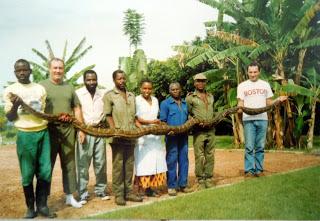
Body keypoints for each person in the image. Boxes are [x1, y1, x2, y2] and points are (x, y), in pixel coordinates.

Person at [3, 59, 55, 218]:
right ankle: (30, 208)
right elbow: (10, 118)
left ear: (30, 71)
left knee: (45, 171)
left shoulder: (40, 88)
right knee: (27, 173)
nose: (22, 73)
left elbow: (45, 111)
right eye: (18, 71)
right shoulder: (11, 90)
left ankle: (42, 206)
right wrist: (16, 105)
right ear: (15, 73)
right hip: (25, 134)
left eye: (25, 70)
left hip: (43, 132)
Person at [40, 58, 84, 208]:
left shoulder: (69, 87)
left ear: (63, 70)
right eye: (55, 68)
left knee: (69, 164)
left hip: (68, 131)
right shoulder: (41, 86)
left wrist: (81, 128)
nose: (58, 71)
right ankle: (43, 200)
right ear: (49, 68)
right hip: (48, 131)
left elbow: (77, 108)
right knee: (46, 166)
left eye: (60, 68)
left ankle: (70, 197)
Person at [237, 61, 287, 177]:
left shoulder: (265, 85)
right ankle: (249, 170)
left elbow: (268, 102)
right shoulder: (242, 86)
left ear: (259, 72)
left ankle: (259, 170)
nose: (253, 74)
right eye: (250, 72)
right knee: (249, 146)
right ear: (247, 72)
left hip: (262, 119)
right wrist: (239, 109)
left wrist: (278, 99)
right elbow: (241, 102)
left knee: (260, 146)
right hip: (248, 119)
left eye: (255, 72)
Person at [103, 70, 143, 206]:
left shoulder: (132, 95)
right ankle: (119, 195)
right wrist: (114, 130)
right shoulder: (109, 96)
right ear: (114, 80)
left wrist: (139, 129)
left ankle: (128, 192)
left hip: (131, 135)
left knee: (129, 164)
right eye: (119, 79)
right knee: (118, 165)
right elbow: (108, 115)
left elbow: (134, 116)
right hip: (118, 137)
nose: (122, 81)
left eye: (123, 78)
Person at [75, 70, 110, 204]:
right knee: (83, 164)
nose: (91, 82)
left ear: (97, 80)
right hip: (85, 131)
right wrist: (81, 130)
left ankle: (101, 190)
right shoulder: (78, 93)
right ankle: (83, 193)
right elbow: (76, 112)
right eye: (88, 80)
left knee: (101, 163)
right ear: (84, 81)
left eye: (93, 80)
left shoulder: (102, 94)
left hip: (99, 131)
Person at [134, 79, 167, 197]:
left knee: (155, 161)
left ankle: (150, 188)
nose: (147, 91)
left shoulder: (155, 100)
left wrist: (157, 124)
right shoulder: (136, 100)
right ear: (140, 88)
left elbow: (156, 117)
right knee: (143, 163)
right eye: (144, 88)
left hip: (155, 135)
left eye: (149, 88)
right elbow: (135, 119)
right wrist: (145, 127)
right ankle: (141, 189)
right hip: (142, 134)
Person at [160, 82, 190, 196]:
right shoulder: (165, 104)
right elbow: (163, 122)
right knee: (172, 160)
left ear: (180, 90)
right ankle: (172, 186)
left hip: (183, 136)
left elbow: (188, 118)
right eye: (173, 89)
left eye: (177, 89)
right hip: (171, 137)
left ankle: (183, 184)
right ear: (169, 91)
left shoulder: (184, 103)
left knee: (184, 160)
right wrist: (168, 130)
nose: (175, 91)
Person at [186, 73, 215, 189]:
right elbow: (187, 114)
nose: (200, 83)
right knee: (199, 155)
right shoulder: (190, 98)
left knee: (210, 155)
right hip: (199, 131)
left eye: (203, 81)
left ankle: (208, 178)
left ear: (206, 82)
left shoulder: (211, 96)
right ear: (194, 83)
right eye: (198, 81)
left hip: (211, 130)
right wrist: (195, 121)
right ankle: (200, 179)